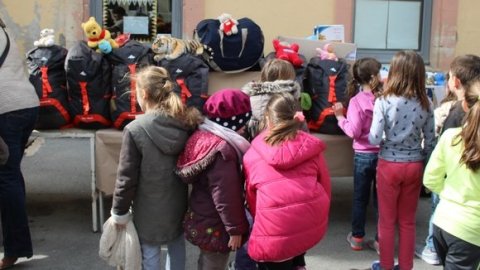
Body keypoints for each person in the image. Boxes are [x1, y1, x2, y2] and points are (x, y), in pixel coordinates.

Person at [110, 66, 201, 270]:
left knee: (148, 252)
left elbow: (126, 177)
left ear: (142, 94)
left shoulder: (135, 129)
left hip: (146, 208)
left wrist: (119, 211)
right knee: (176, 245)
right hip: (178, 203)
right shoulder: (186, 123)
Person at [243, 92, 331, 270]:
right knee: (296, 245)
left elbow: (253, 201)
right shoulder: (311, 148)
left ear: (268, 118)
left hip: (274, 233)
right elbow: (326, 186)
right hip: (308, 222)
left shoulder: (252, 154)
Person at [368, 51, 436, 270]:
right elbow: (431, 140)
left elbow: (374, 138)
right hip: (414, 164)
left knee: (386, 222)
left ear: (395, 72)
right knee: (407, 222)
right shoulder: (426, 103)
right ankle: (406, 266)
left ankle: (386, 265)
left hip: (389, 164)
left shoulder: (384, 102)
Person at [416, 54, 480, 265]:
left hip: (444, 221)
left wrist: (450, 194)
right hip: (469, 230)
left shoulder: (451, 136)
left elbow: (430, 179)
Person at [176, 89, 250, 270]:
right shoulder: (223, 150)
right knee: (215, 262)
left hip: (202, 213)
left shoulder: (204, 135)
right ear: (233, 122)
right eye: (244, 122)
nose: (245, 128)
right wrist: (235, 229)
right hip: (218, 222)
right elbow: (225, 195)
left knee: (207, 259)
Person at [0, 19, 40, 269]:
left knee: (6, 176)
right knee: (10, 174)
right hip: (26, 105)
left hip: (7, 110)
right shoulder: (5, 31)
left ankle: (15, 249)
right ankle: (16, 245)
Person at [332, 57, 382, 252]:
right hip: (382, 154)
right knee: (380, 201)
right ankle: (380, 241)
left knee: (360, 198)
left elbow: (353, 131)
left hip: (362, 155)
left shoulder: (356, 101)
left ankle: (357, 238)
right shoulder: (384, 99)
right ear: (374, 77)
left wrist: (339, 117)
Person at [242, 58, 302, 139]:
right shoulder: (290, 99)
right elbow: (300, 126)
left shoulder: (249, 97)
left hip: (254, 142)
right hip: (284, 142)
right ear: (289, 78)